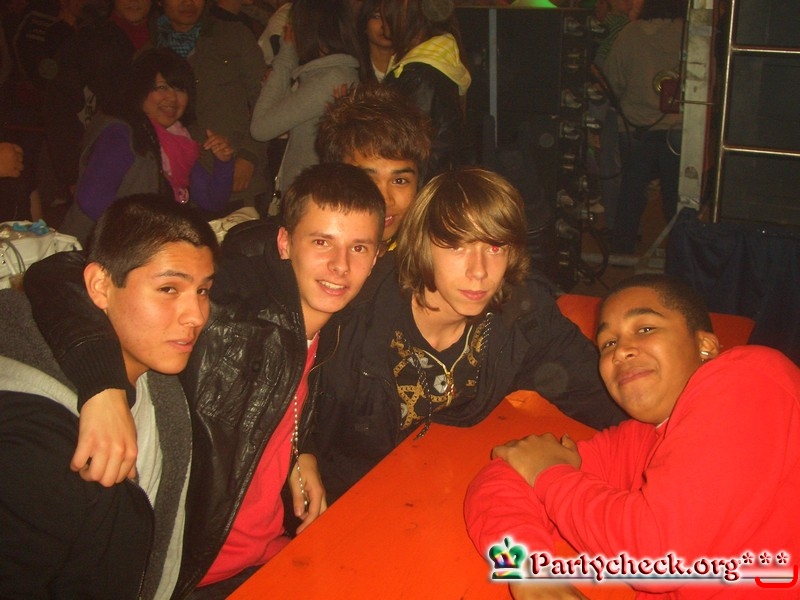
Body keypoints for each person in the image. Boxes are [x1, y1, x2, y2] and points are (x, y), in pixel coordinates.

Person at [24, 162, 386, 597]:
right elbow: (58, 273)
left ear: (376, 257)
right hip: (200, 577)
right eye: (322, 242)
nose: (340, 265)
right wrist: (103, 386)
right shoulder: (227, 305)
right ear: (285, 243)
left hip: (274, 553)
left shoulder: (339, 326)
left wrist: (300, 449)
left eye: (359, 248)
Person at [464, 273, 800, 599]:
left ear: (705, 345)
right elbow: (500, 480)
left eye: (645, 328)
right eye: (608, 343)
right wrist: (524, 573)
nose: (620, 351)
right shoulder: (633, 440)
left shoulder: (750, 379)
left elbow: (657, 556)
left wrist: (550, 474)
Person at [314, 167, 626, 503]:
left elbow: (603, 394)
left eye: (495, 248)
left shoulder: (521, 317)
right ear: (421, 245)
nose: (479, 272)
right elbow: (297, 409)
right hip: (343, 500)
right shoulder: (355, 315)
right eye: (456, 246)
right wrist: (300, 457)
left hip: (436, 485)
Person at [0, 194, 218, 599]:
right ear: (100, 286)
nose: (197, 316)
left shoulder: (158, 383)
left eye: (203, 290)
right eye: (168, 288)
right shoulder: (34, 443)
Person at [59, 47, 235, 245]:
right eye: (162, 87)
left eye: (179, 89)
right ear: (140, 89)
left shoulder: (177, 142)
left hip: (140, 250)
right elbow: (91, 199)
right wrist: (147, 233)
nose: (172, 98)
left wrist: (223, 162)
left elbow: (212, 201)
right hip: (93, 250)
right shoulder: (121, 133)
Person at [155, 0, 269, 210]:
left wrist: (250, 154)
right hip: (178, 187)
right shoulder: (150, 52)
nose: (188, 3)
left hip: (237, 173)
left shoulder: (233, 35)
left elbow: (265, 100)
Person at [249, 0, 361, 197]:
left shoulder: (330, 78)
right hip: (315, 194)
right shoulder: (334, 73)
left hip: (312, 197)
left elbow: (260, 128)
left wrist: (286, 58)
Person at [603, 0, 685, 257]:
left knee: (631, 193)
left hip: (636, 126)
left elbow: (612, 79)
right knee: (676, 198)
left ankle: (621, 252)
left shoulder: (630, 34)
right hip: (677, 127)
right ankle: (681, 255)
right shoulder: (689, 35)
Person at [315, 82, 431, 248]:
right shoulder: (300, 255)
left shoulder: (428, 257)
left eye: (399, 181)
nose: (385, 200)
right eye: (368, 180)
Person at [380, 0, 471, 179]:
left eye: (385, 13)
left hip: (422, 185)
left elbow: (416, 149)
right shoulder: (437, 59)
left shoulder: (420, 74)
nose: (383, 22)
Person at [357, 0, 392, 82]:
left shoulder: (410, 66)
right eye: (376, 17)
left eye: (389, 17)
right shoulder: (354, 67)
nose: (384, 25)